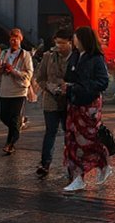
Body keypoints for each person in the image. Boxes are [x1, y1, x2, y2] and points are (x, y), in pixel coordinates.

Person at [63, 26, 111, 192]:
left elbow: (103, 82)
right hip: (74, 102)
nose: (74, 41)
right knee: (72, 141)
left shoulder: (96, 58)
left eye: (76, 38)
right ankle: (77, 177)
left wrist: (81, 86)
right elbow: (69, 76)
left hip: (89, 104)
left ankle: (102, 161)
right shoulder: (75, 56)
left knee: (89, 140)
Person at [34, 28, 72, 178]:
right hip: (51, 100)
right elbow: (40, 77)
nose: (59, 46)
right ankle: (45, 163)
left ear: (70, 42)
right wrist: (48, 86)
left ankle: (71, 162)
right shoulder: (48, 56)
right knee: (50, 131)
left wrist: (67, 86)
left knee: (69, 133)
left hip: (69, 100)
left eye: (62, 43)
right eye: (57, 43)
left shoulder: (76, 58)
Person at [0, 28, 33, 155]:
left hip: (19, 91)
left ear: (21, 39)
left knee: (14, 117)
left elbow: (29, 74)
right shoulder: (4, 53)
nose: (13, 40)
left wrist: (14, 71)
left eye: (16, 37)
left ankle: (10, 144)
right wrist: (2, 68)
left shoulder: (25, 55)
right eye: (11, 37)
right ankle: (17, 127)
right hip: (5, 90)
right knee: (4, 116)